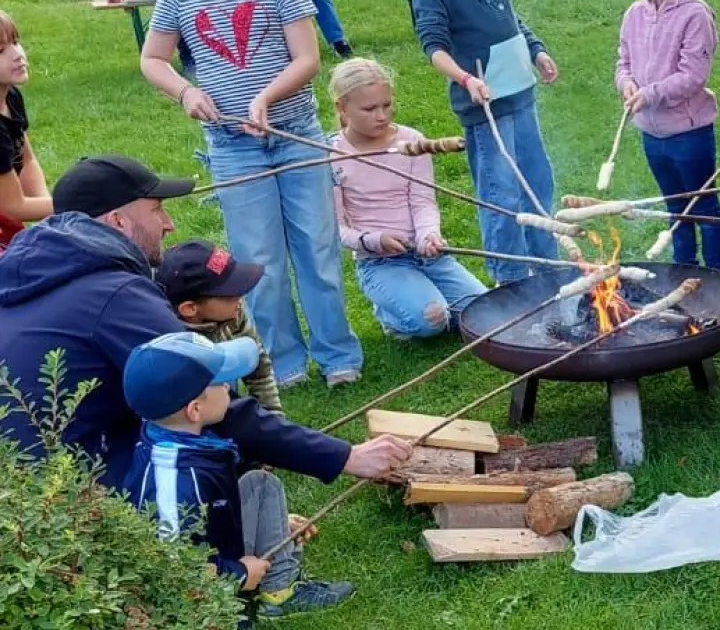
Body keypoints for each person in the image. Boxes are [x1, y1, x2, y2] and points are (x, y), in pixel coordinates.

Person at [0, 154, 413, 488]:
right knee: (191, 428)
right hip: (76, 488)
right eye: (157, 209)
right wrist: (346, 457)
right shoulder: (114, 294)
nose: (169, 223)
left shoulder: (33, 271)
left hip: (22, 487)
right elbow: (210, 402)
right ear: (117, 222)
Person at [138, 0, 362, 388]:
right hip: (234, 149)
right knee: (259, 260)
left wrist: (265, 98)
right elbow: (153, 60)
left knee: (318, 250)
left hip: (294, 134)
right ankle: (283, 362)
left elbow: (307, 59)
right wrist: (186, 93)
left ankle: (337, 355)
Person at [123, 332, 355, 617]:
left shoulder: (178, 436)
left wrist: (275, 526)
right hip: (199, 602)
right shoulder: (172, 480)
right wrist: (239, 573)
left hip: (212, 543)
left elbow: (212, 509)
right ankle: (275, 596)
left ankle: (277, 583)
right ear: (195, 409)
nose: (229, 388)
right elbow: (172, 562)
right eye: (221, 383)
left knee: (260, 483)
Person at [412, 0, 561, 283]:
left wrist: (537, 50)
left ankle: (548, 265)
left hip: (521, 92)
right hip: (485, 103)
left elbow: (510, 18)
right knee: (501, 194)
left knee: (537, 180)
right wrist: (465, 80)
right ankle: (509, 279)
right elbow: (433, 47)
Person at [329, 58, 488, 337]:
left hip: (427, 256)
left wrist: (429, 235)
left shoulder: (412, 142)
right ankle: (393, 315)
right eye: (369, 109)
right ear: (342, 107)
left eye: (386, 105)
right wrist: (374, 240)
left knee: (484, 310)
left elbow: (423, 201)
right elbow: (335, 227)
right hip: (380, 262)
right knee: (433, 319)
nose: (382, 115)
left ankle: (425, 296)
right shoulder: (330, 155)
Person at [615, 0, 720, 270]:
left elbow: (693, 76)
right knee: (674, 206)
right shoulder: (635, 14)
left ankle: (715, 274)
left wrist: (650, 93)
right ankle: (684, 269)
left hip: (689, 133)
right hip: (652, 133)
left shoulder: (695, 15)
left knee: (702, 206)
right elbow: (623, 61)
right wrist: (627, 83)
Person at [157, 239, 282, 413]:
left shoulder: (233, 312)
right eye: (229, 296)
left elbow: (259, 369)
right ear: (190, 308)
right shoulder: (170, 344)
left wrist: (274, 419)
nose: (240, 298)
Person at [0, 10, 50, 251]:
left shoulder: (10, 96)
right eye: (1, 51)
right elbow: (11, 206)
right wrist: (74, 203)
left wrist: (49, 213)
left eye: (15, 42)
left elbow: (26, 160)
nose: (18, 55)